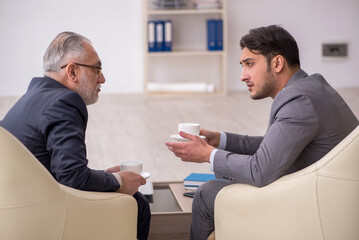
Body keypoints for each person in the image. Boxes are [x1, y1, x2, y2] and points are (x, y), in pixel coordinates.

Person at [165, 25, 359, 240]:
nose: (242, 76)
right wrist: (220, 141)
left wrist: (207, 155)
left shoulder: (299, 101)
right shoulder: (309, 87)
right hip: (327, 192)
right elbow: (273, 146)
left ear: (277, 63)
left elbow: (261, 171)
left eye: (249, 64)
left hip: (317, 203)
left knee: (207, 193)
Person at [0, 32, 150, 240]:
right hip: (44, 213)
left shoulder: (32, 97)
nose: (103, 78)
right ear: (72, 71)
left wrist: (105, 177)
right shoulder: (65, 102)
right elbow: (73, 177)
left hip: (16, 209)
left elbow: (56, 170)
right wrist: (118, 182)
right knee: (138, 204)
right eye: (97, 68)